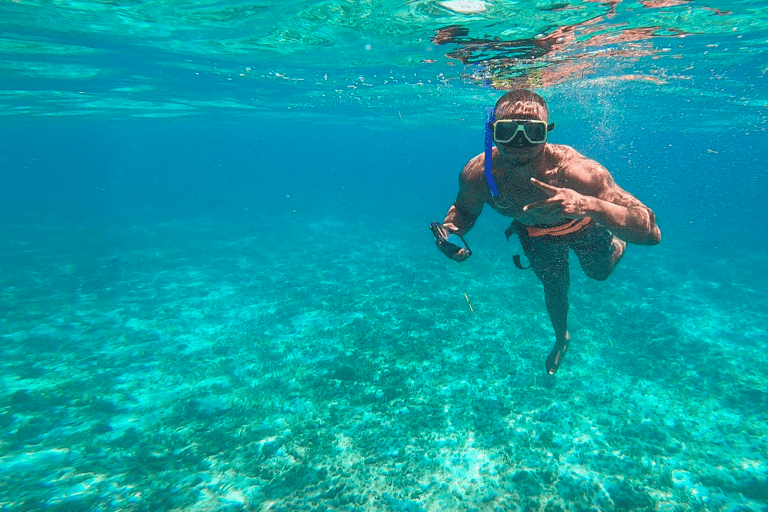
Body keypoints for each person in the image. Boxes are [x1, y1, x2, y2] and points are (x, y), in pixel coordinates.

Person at [431, 89, 661, 375]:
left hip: (583, 225)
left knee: (598, 272)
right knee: (554, 287)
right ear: (493, 131)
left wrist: (588, 204)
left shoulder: (579, 173)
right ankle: (562, 337)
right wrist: (450, 233)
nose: (519, 144)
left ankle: (616, 243)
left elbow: (651, 231)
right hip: (535, 233)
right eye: (507, 131)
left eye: (532, 132)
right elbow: (463, 211)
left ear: (547, 132)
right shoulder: (480, 174)